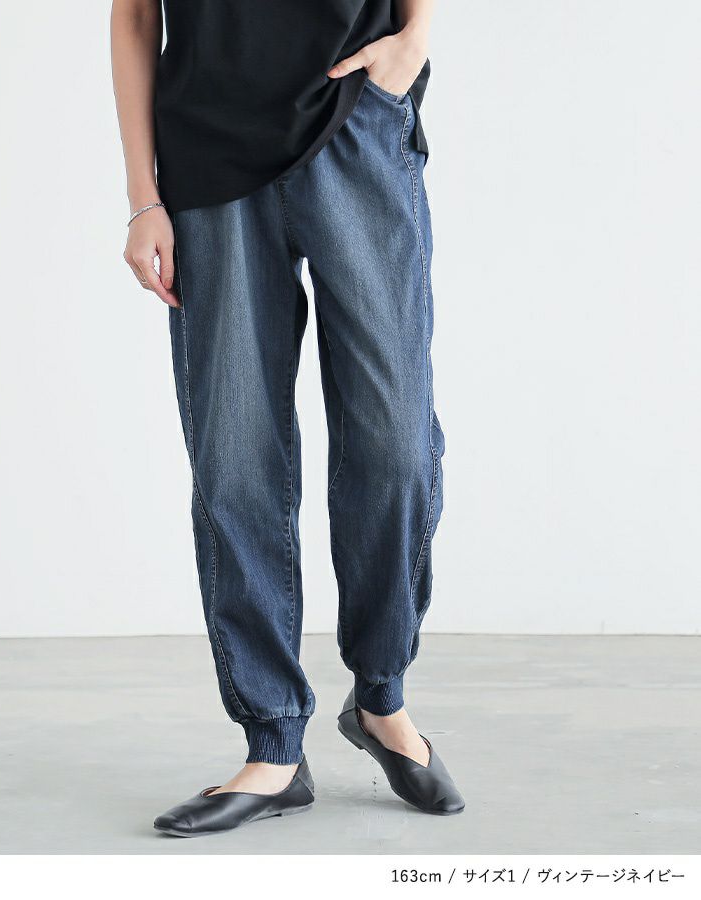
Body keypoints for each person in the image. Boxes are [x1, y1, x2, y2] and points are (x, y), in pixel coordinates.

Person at [111, 0, 464, 837]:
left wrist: (414, 38)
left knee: (396, 445)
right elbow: (134, 17)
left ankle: (380, 698)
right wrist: (142, 197)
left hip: (356, 129)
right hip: (208, 156)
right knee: (236, 458)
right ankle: (272, 742)